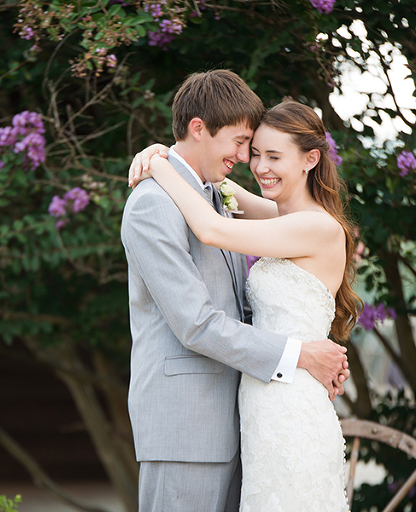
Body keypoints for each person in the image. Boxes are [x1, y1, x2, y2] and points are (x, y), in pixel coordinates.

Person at [120, 69, 351, 512]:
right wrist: (160, 158)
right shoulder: (156, 203)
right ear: (199, 128)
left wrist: (161, 160)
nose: (251, 161)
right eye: (245, 145)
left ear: (310, 159)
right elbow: (196, 324)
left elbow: (213, 231)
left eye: (267, 153)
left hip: (255, 416)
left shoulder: (241, 207)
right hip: (190, 427)